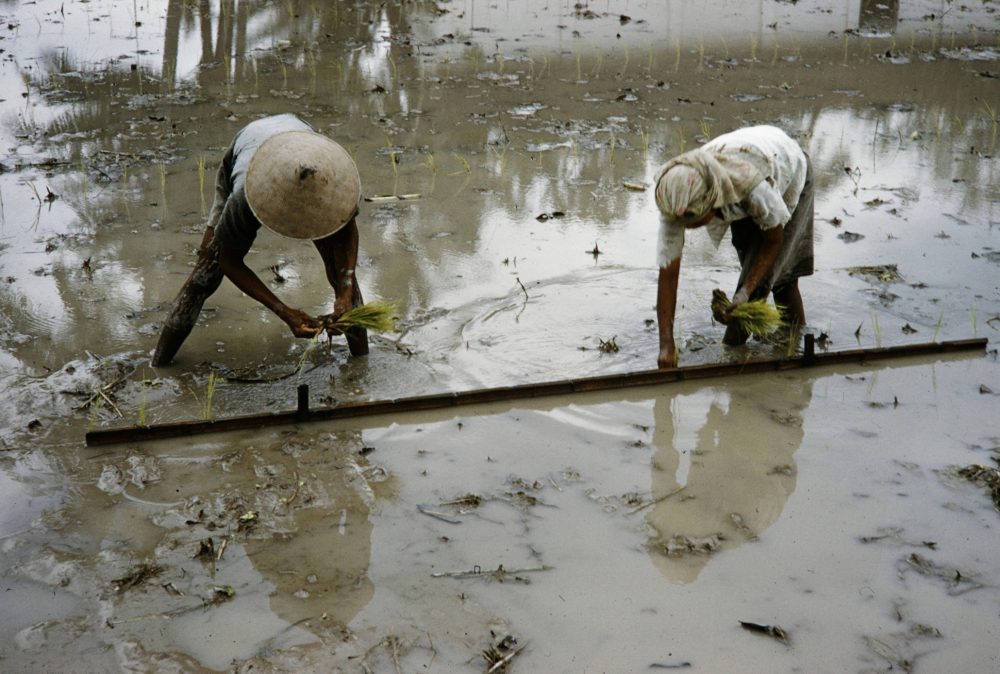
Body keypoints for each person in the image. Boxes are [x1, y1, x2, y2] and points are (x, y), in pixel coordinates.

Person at [152, 113, 368, 366]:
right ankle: (159, 365)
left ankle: (361, 367)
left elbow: (347, 230)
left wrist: (345, 287)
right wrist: (283, 311)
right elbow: (228, 260)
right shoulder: (245, 195)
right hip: (249, 146)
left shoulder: (339, 179)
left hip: (300, 139)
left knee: (342, 277)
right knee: (203, 278)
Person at [652, 124, 813, 369]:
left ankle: (791, 348)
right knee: (761, 277)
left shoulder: (752, 188)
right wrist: (666, 345)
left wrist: (744, 293)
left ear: (712, 204)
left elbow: (773, 240)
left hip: (787, 172)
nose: (686, 228)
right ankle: (783, 344)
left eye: (693, 221)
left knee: (777, 281)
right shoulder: (677, 198)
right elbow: (668, 273)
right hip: (745, 174)